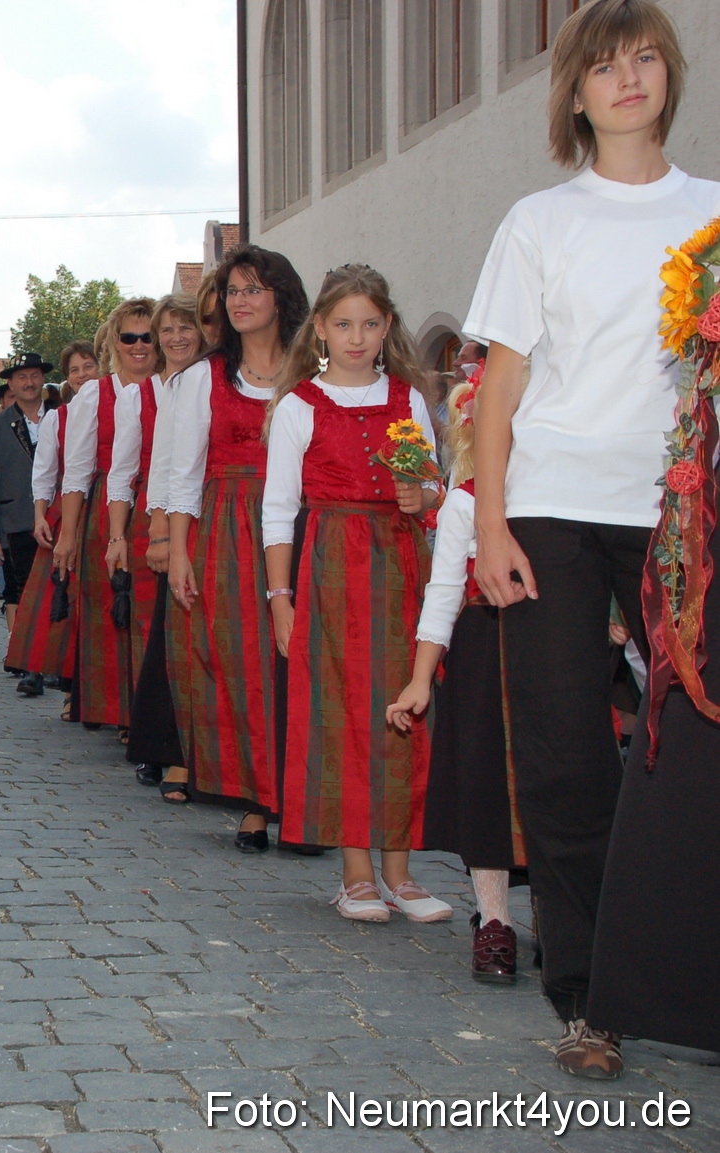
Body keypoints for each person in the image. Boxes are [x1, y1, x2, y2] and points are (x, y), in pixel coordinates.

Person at [463, 0, 718, 1078]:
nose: (627, 78)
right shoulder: (539, 221)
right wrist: (487, 522)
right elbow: (501, 386)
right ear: (574, 93)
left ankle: (686, 976)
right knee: (567, 754)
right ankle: (588, 996)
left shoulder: (713, 215)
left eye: (646, 57)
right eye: (604, 65)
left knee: (692, 750)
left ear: (670, 76)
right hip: (555, 511)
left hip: (681, 509)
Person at [262, 264, 444, 917]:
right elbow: (277, 508)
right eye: (344, 324)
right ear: (320, 329)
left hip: (398, 567)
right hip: (332, 568)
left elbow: (435, 492)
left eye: (370, 323)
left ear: (387, 326)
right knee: (339, 712)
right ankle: (356, 871)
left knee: (401, 708)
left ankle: (402, 868)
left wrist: (422, 493)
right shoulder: (298, 407)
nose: (357, 336)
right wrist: (280, 598)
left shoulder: (409, 398)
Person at [164, 247, 309, 848]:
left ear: (281, 296)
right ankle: (256, 799)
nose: (241, 301)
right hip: (226, 527)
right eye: (232, 291)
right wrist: (177, 551)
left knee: (306, 664)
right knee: (243, 664)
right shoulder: (203, 378)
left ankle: (307, 802)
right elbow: (180, 475)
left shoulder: (314, 374)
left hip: (307, 523)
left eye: (253, 288)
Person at [388, 377, 524, 979]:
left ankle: (564, 918)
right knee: (486, 783)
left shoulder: (559, 499)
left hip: (550, 642)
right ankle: (495, 921)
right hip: (479, 646)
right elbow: (442, 593)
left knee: (555, 776)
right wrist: (420, 680)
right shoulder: (466, 501)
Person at [107, 295, 206, 789]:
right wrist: (119, 536)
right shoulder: (141, 395)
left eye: (183, 328)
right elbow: (123, 471)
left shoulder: (217, 379)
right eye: (164, 330)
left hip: (218, 512)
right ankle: (161, 740)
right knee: (161, 635)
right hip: (159, 513)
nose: (170, 339)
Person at [61, 301, 158, 740]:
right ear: (114, 343)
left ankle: (149, 708)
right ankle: (119, 709)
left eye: (147, 336)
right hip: (107, 505)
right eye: (129, 337)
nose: (139, 346)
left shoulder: (176, 385)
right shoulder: (94, 394)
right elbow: (77, 470)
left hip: (160, 502)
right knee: (112, 609)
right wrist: (68, 534)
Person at [7, 342, 97, 706]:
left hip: (111, 507)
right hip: (69, 511)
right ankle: (61, 679)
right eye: (74, 370)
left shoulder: (124, 406)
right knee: (63, 601)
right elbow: (43, 473)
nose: (81, 375)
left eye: (88, 367)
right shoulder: (58, 419)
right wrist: (41, 515)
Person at [0, 353, 52, 663]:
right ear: (11, 384)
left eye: (34, 375)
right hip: (17, 521)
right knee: (22, 592)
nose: (29, 382)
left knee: (58, 591)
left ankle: (54, 659)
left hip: (61, 517)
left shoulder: (63, 415)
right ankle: (27, 660)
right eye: (22, 377)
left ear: (42, 379)